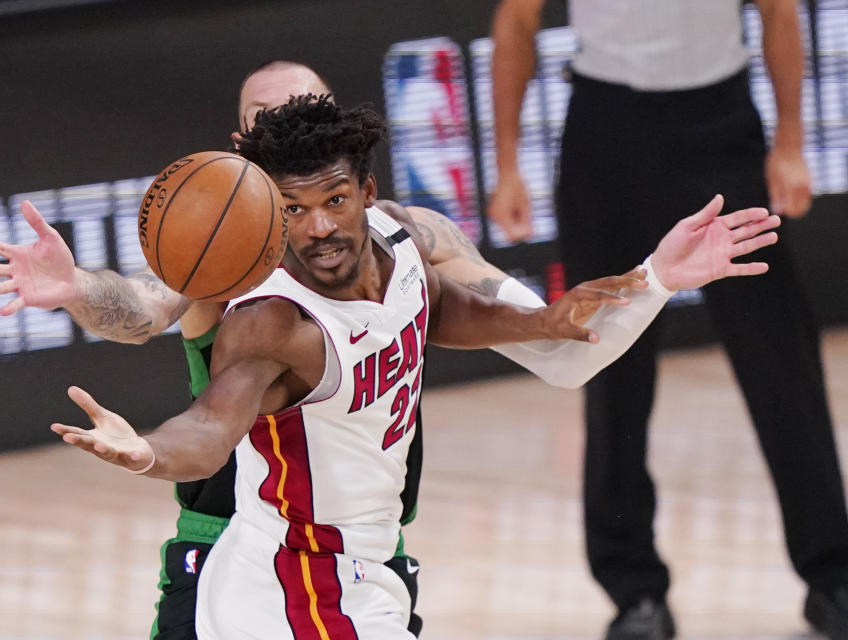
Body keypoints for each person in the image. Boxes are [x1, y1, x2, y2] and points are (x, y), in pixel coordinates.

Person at [45, 94, 778, 639]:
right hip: (297, 584)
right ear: (269, 213)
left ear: (367, 194)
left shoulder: (403, 256)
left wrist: (654, 278)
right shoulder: (272, 321)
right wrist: (146, 451)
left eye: (334, 200)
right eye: (294, 211)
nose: (321, 226)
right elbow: (210, 428)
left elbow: (552, 351)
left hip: (364, 571)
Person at [489, 1, 848, 638]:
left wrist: (790, 142)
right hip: (606, 128)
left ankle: (833, 576)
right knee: (608, 362)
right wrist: (509, 165)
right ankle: (635, 595)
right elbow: (516, 22)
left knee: (780, 360)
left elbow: (779, 12)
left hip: (720, 122)